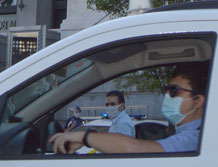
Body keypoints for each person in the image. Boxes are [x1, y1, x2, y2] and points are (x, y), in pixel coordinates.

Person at [49, 62, 208, 154]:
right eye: (166, 89)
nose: (167, 95)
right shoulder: (187, 133)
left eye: (174, 91)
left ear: (197, 101)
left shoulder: (195, 138)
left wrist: (84, 137)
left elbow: (134, 148)